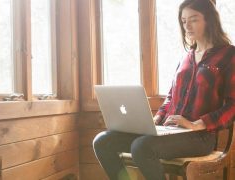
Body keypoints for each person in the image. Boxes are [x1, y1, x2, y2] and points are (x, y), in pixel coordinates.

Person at [93, 0, 235, 179]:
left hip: (200, 137)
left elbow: (232, 106)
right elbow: (170, 98)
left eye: (193, 20)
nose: (187, 26)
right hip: (169, 131)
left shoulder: (229, 55)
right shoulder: (186, 57)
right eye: (183, 21)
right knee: (103, 142)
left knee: (142, 147)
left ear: (209, 20)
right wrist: (157, 119)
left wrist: (196, 124)